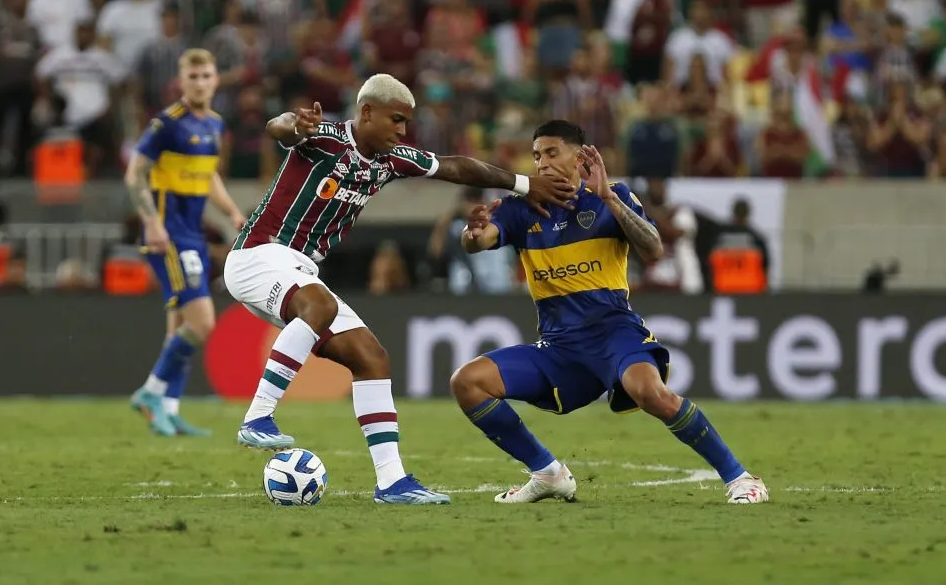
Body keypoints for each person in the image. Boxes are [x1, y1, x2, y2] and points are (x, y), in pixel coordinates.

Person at [222, 73, 575, 505]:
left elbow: (456, 166)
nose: (403, 131)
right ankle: (258, 416)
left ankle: (392, 482)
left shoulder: (391, 159)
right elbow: (278, 128)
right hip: (259, 253)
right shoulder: (324, 137)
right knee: (320, 305)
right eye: (396, 119)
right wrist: (292, 125)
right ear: (366, 112)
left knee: (372, 358)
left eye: (407, 122)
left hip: (299, 269)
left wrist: (523, 183)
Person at [449, 120, 769, 505]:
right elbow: (479, 241)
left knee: (650, 392)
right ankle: (548, 473)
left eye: (552, 153)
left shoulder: (611, 197)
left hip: (614, 333)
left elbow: (652, 248)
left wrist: (611, 201)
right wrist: (472, 232)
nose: (542, 163)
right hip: (559, 349)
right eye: (537, 156)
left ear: (579, 156)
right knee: (467, 382)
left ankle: (742, 479)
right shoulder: (522, 210)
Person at [123, 49, 246, 437]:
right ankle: (151, 392)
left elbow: (208, 176)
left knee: (178, 324)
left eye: (206, 75)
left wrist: (231, 212)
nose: (199, 82)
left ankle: (170, 411)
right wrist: (152, 223)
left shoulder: (214, 125)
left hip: (193, 232)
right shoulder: (167, 124)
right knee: (203, 321)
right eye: (192, 76)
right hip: (170, 233)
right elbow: (134, 174)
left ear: (215, 80)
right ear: (182, 81)